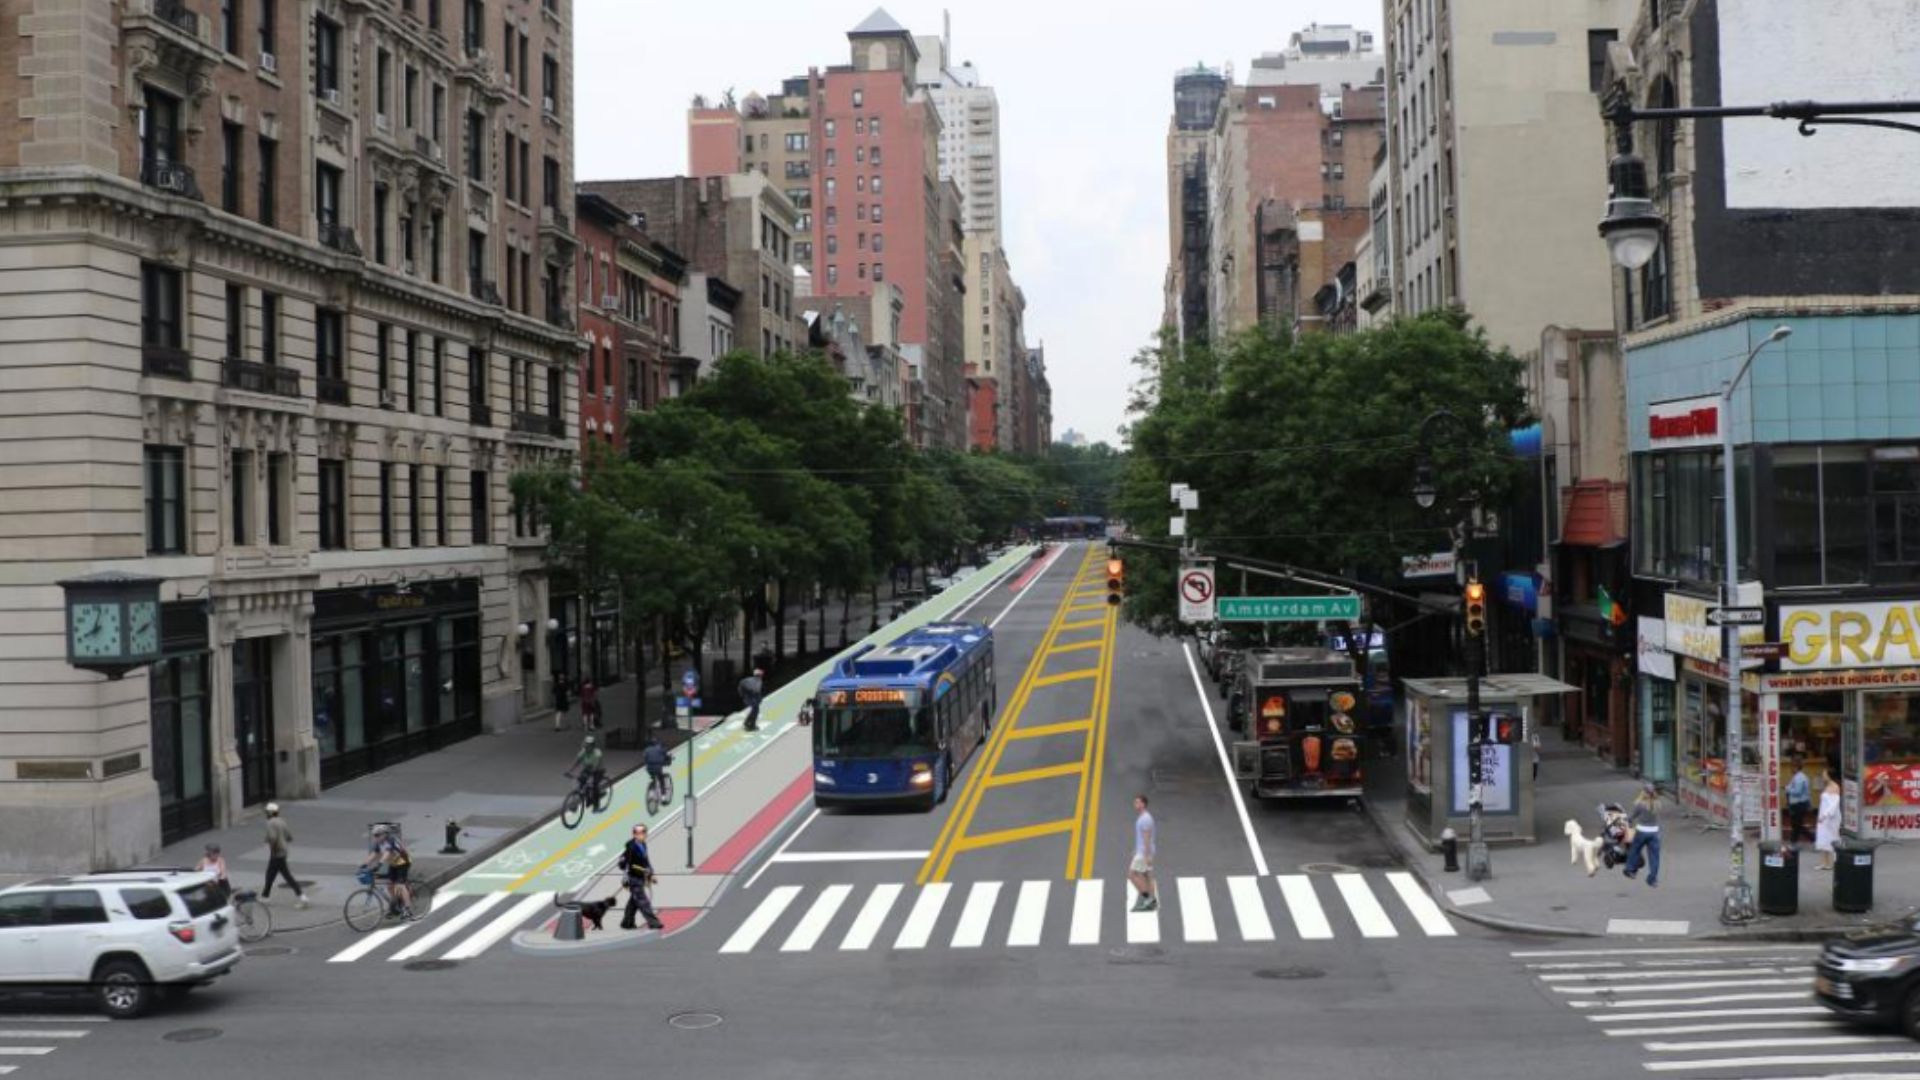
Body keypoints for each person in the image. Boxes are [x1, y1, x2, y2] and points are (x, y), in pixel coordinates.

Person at [363, 824, 417, 919]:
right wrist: (364, 864)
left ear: (384, 834)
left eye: (377, 835)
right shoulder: (379, 843)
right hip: (393, 864)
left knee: (400, 886)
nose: (375, 837)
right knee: (390, 886)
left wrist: (379, 864)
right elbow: (374, 854)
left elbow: (387, 854)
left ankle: (408, 910)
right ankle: (395, 906)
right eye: (374, 835)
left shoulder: (391, 841)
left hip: (403, 863)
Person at [261, 803, 309, 909]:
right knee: (270, 874)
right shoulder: (282, 821)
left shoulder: (270, 823)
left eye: (267, 812)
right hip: (283, 851)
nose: (266, 814)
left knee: (285, 876)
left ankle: (302, 896)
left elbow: (272, 838)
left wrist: (272, 847)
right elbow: (289, 837)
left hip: (276, 852)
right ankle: (265, 896)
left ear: (270, 813)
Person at [618, 824, 665, 930]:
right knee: (643, 902)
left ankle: (627, 922)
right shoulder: (631, 848)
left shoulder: (643, 844)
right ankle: (654, 923)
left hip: (640, 877)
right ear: (634, 834)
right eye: (639, 833)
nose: (642, 834)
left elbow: (646, 861)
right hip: (633, 878)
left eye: (644, 832)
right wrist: (646, 873)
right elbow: (631, 866)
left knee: (634, 902)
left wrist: (651, 873)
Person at [1622, 782, 1662, 887]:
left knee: (1634, 850)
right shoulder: (1657, 804)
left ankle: (1630, 870)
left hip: (1642, 831)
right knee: (1654, 857)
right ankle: (1652, 879)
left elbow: (1632, 817)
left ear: (1643, 792)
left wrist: (1627, 820)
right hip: (1654, 832)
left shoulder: (1640, 804)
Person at [1128, 794, 1158, 912]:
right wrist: (1136, 849)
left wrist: (1147, 856)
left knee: (1132, 874)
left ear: (1143, 804)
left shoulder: (1145, 819)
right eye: (1135, 802)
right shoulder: (1143, 817)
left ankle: (1148, 899)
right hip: (1142, 850)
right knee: (1147, 876)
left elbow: (1147, 838)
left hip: (1144, 852)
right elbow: (1142, 837)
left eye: (1137, 802)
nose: (1135, 804)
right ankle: (1152, 900)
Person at [567, 733, 606, 800]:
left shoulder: (597, 753)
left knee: (594, 784)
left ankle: (598, 796)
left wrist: (590, 775)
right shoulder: (583, 752)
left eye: (588, 745)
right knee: (581, 781)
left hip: (598, 770)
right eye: (585, 745)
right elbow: (576, 762)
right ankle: (582, 797)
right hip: (588, 769)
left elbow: (595, 765)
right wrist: (569, 770)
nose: (586, 746)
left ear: (593, 746)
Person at [1816, 773, 1842, 870]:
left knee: (1832, 838)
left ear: (1829, 775)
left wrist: (1825, 815)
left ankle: (1834, 862)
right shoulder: (1827, 786)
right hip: (1823, 816)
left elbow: (1834, 804)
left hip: (1831, 817)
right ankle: (1824, 862)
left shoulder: (1835, 787)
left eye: (1824, 774)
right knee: (1823, 838)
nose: (1823, 776)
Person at [1786, 759, 1813, 847]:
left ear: (1796, 767)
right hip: (1800, 804)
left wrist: (1788, 789)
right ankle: (1794, 842)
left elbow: (1797, 791)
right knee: (1796, 825)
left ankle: (1812, 838)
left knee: (1797, 825)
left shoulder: (1798, 778)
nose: (1790, 769)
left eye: (1792, 767)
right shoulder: (1800, 777)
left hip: (1798, 804)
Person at [643, 735, 671, 803]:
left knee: (653, 778)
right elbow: (666, 755)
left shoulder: (647, 749)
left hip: (649, 768)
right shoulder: (660, 748)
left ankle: (651, 792)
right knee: (661, 780)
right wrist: (669, 758)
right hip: (658, 768)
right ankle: (663, 797)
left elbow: (645, 758)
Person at [739, 667, 766, 732]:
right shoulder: (757, 681)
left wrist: (743, 696)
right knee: (756, 711)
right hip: (751, 698)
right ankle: (751, 725)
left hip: (749, 698)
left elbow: (740, 687)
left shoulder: (749, 680)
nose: (761, 676)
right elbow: (756, 691)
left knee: (755, 710)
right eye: (761, 675)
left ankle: (747, 723)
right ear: (759, 675)